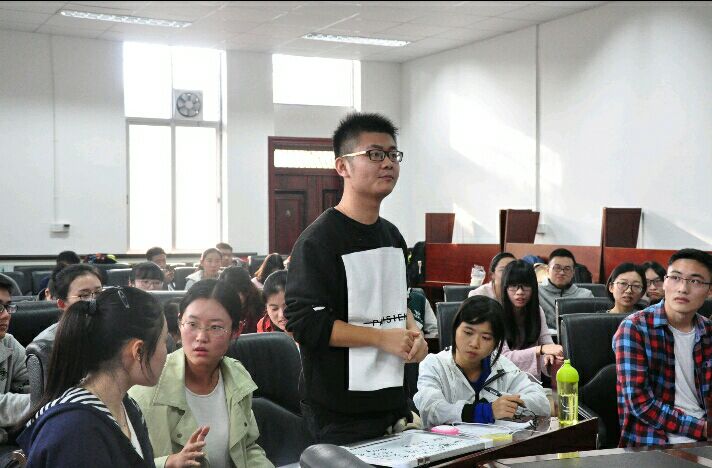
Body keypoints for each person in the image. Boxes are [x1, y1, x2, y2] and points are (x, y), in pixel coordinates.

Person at [285, 112, 428, 445]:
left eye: (393, 154)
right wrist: (381, 339)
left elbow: (398, 302)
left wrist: (414, 334)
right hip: (339, 414)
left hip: (393, 405)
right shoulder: (318, 241)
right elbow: (306, 324)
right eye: (374, 154)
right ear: (342, 166)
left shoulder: (392, 236)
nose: (388, 163)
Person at [17, 287, 167, 467]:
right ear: (138, 351)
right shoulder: (75, 431)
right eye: (163, 341)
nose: (166, 351)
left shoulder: (127, 406)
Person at [129, 279, 272, 468]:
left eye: (215, 327)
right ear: (180, 323)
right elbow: (123, 461)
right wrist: (169, 463)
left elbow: (247, 448)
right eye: (192, 324)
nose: (201, 337)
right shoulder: (146, 386)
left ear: (236, 331)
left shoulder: (237, 376)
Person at [613, 248, 712, 447]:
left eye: (695, 281)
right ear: (665, 282)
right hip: (655, 441)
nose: (683, 288)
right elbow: (640, 403)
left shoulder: (708, 331)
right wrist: (703, 429)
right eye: (675, 277)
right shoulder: (635, 328)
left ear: (709, 291)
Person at [414, 296, 550, 428]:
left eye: (486, 338)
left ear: (496, 343)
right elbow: (430, 410)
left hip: (496, 441)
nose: (474, 343)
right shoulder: (434, 364)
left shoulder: (502, 366)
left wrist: (505, 405)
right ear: (455, 329)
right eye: (468, 332)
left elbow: (542, 403)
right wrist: (486, 410)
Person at [500, 260, 562, 381]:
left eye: (526, 286)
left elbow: (547, 343)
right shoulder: (496, 313)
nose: (520, 292)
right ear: (505, 288)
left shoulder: (537, 310)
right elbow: (503, 357)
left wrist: (549, 354)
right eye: (513, 286)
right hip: (502, 381)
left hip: (531, 382)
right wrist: (541, 350)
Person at [32, 264, 103, 346]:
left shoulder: (112, 329)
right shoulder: (45, 345)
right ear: (62, 304)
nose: (95, 300)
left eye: (98, 292)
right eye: (84, 295)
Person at [0, 277, 30, 430]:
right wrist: (51, 401)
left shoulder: (8, 342)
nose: (6, 315)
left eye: (7, 307)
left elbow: (34, 382)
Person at [538, 248, 594, 329]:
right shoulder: (537, 292)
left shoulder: (586, 296)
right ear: (547, 270)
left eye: (567, 269)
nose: (561, 273)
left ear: (573, 273)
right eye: (557, 268)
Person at [219, 266, 265, 335]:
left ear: (245, 291)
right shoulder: (218, 309)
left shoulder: (261, 310)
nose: (229, 299)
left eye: (234, 294)